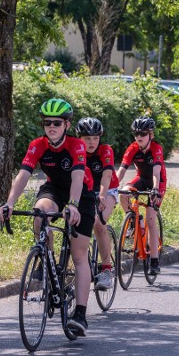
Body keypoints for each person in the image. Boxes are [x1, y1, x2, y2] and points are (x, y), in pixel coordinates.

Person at [0, 98, 95, 336]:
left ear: (67, 125)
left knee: (79, 253)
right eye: (46, 123)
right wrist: (10, 203)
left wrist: (72, 205)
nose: (51, 127)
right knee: (40, 213)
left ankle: (80, 314)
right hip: (53, 189)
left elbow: (77, 178)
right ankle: (44, 257)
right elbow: (23, 174)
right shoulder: (38, 145)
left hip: (81, 193)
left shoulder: (76, 146)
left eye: (57, 123)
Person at [115, 116, 167, 276]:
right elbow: (122, 169)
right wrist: (112, 186)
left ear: (150, 135)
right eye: (136, 134)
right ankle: (133, 221)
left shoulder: (156, 149)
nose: (139, 137)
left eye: (143, 134)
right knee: (124, 193)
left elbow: (156, 172)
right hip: (142, 179)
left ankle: (154, 261)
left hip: (157, 183)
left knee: (151, 219)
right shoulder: (132, 148)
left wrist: (156, 189)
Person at [77, 117, 119, 290]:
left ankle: (107, 269)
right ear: (79, 138)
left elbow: (107, 176)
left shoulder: (105, 150)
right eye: (87, 138)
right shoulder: (75, 149)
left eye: (95, 138)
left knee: (99, 223)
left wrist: (102, 196)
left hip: (107, 189)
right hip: (85, 190)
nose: (92, 142)